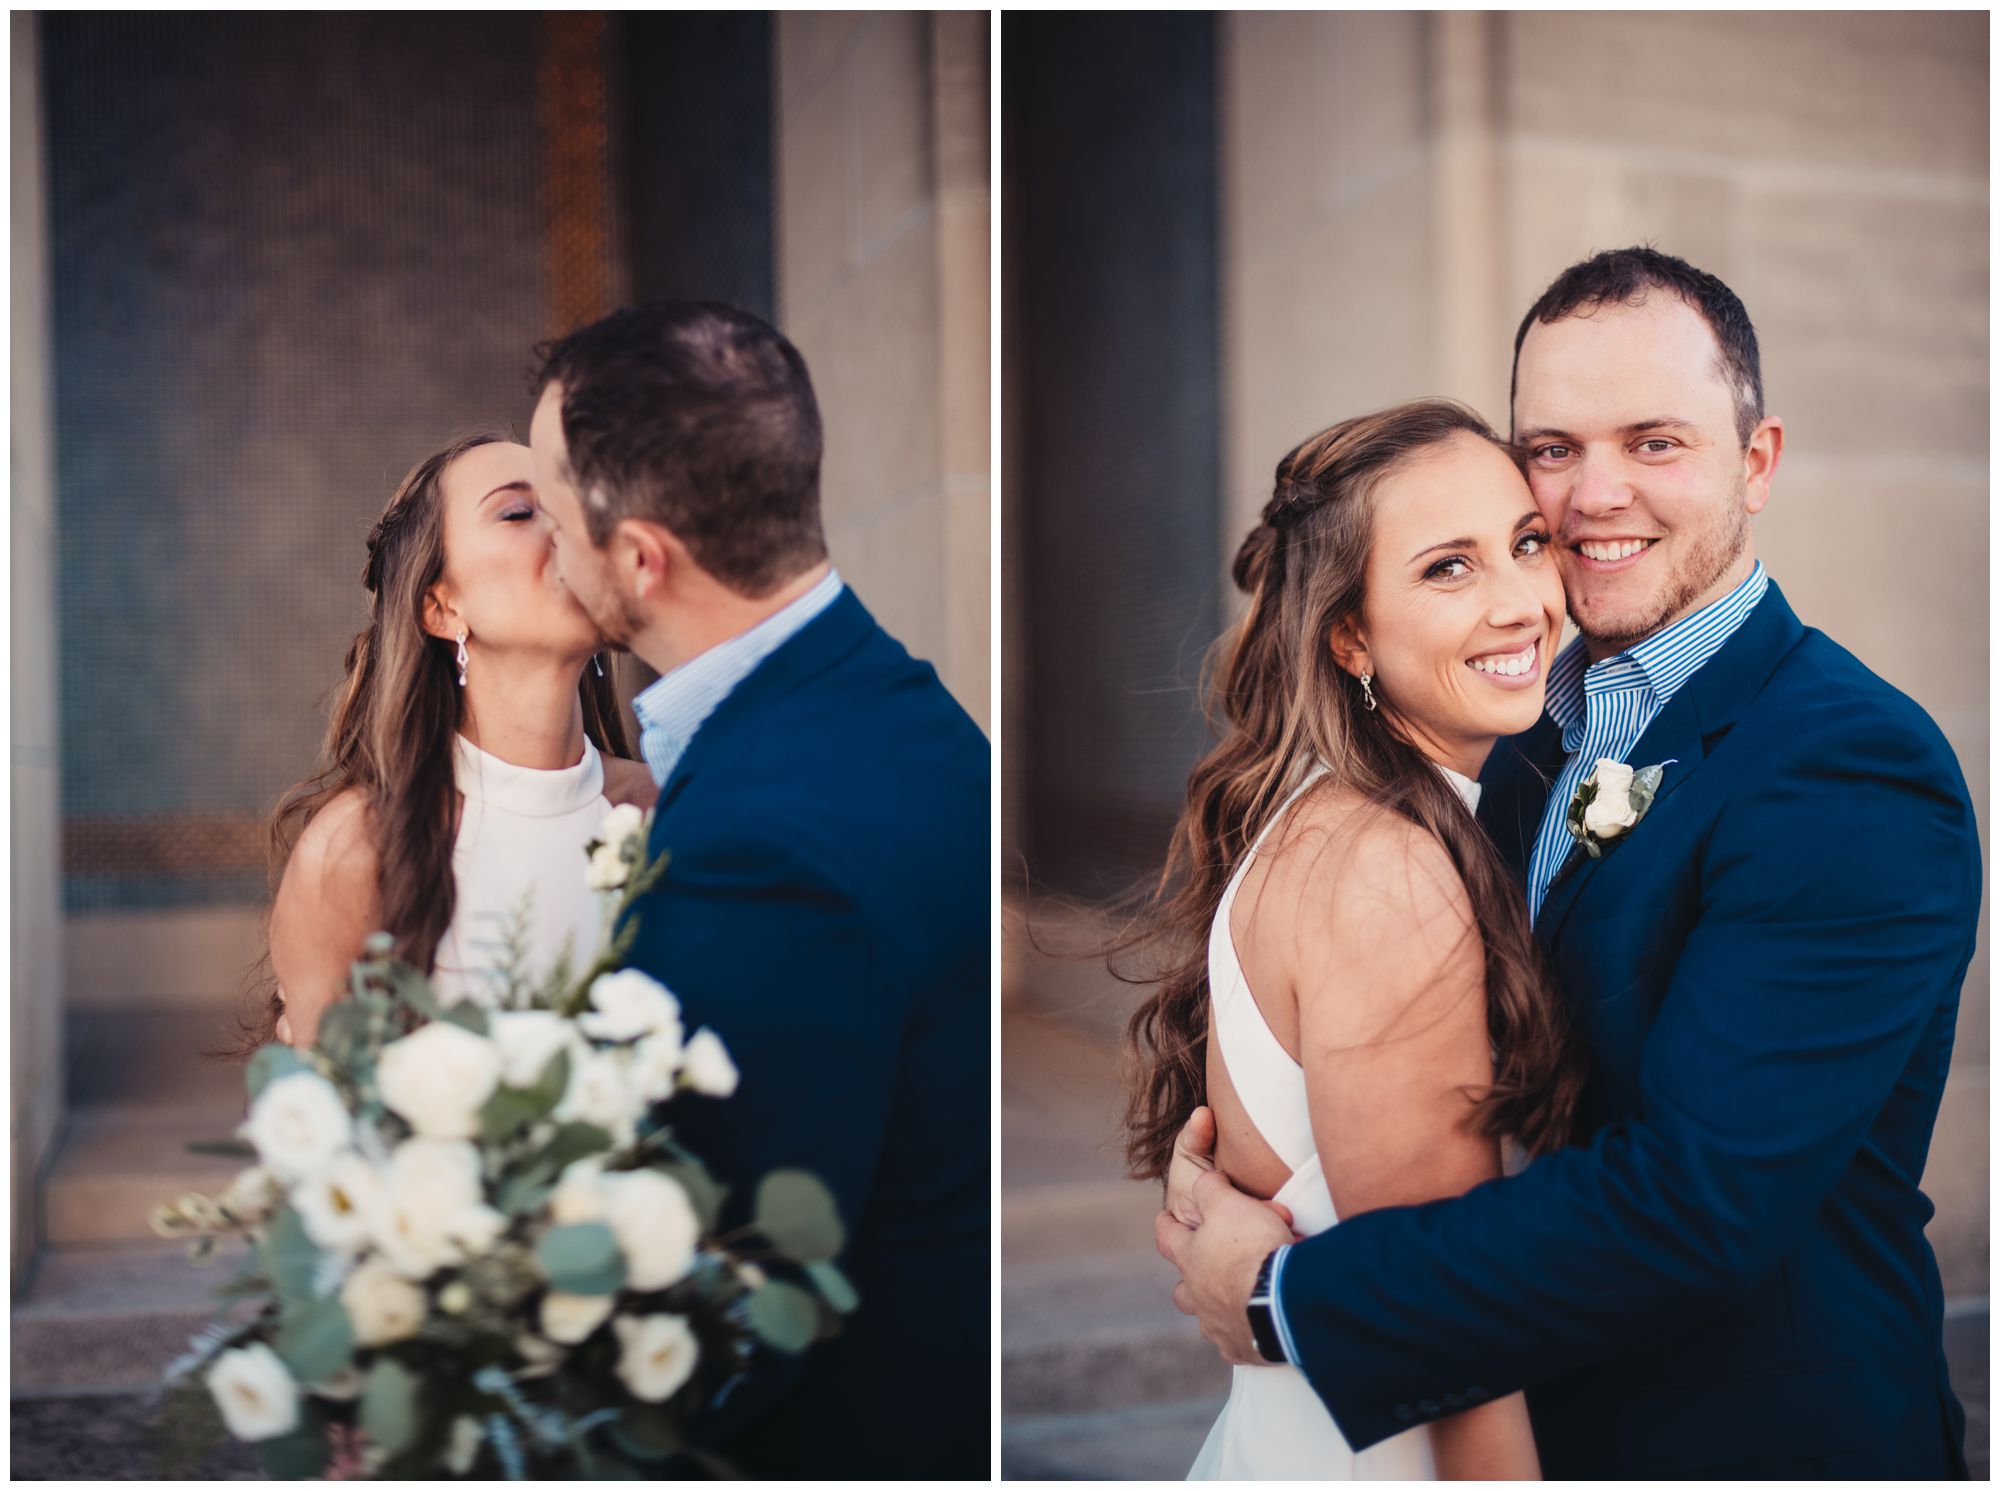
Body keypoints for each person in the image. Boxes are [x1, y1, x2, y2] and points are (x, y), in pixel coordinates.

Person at [1157, 248, 1980, 1478]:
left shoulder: (1847, 768)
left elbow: (1693, 1202)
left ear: (1754, 465)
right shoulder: (1513, 721)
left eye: (1654, 443)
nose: (1591, 496)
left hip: (1740, 1441)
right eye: (1551, 448)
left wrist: (1288, 1299)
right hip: (1500, 1419)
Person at [527, 300, 990, 1479]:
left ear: (639, 555)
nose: (543, 549)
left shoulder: (760, 851)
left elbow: (729, 1291)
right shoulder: (915, 710)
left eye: (548, 509)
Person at [1121, 400, 1580, 1478]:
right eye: (1446, 570)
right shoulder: (1383, 870)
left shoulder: (1358, 819)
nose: (1521, 604)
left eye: (1524, 545)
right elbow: (1451, 1328)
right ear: (1349, 635)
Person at [249, 431, 656, 1052]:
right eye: (519, 512)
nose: (569, 531)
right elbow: (309, 1123)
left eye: (572, 508)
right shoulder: (359, 851)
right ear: (440, 607)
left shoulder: (660, 811)